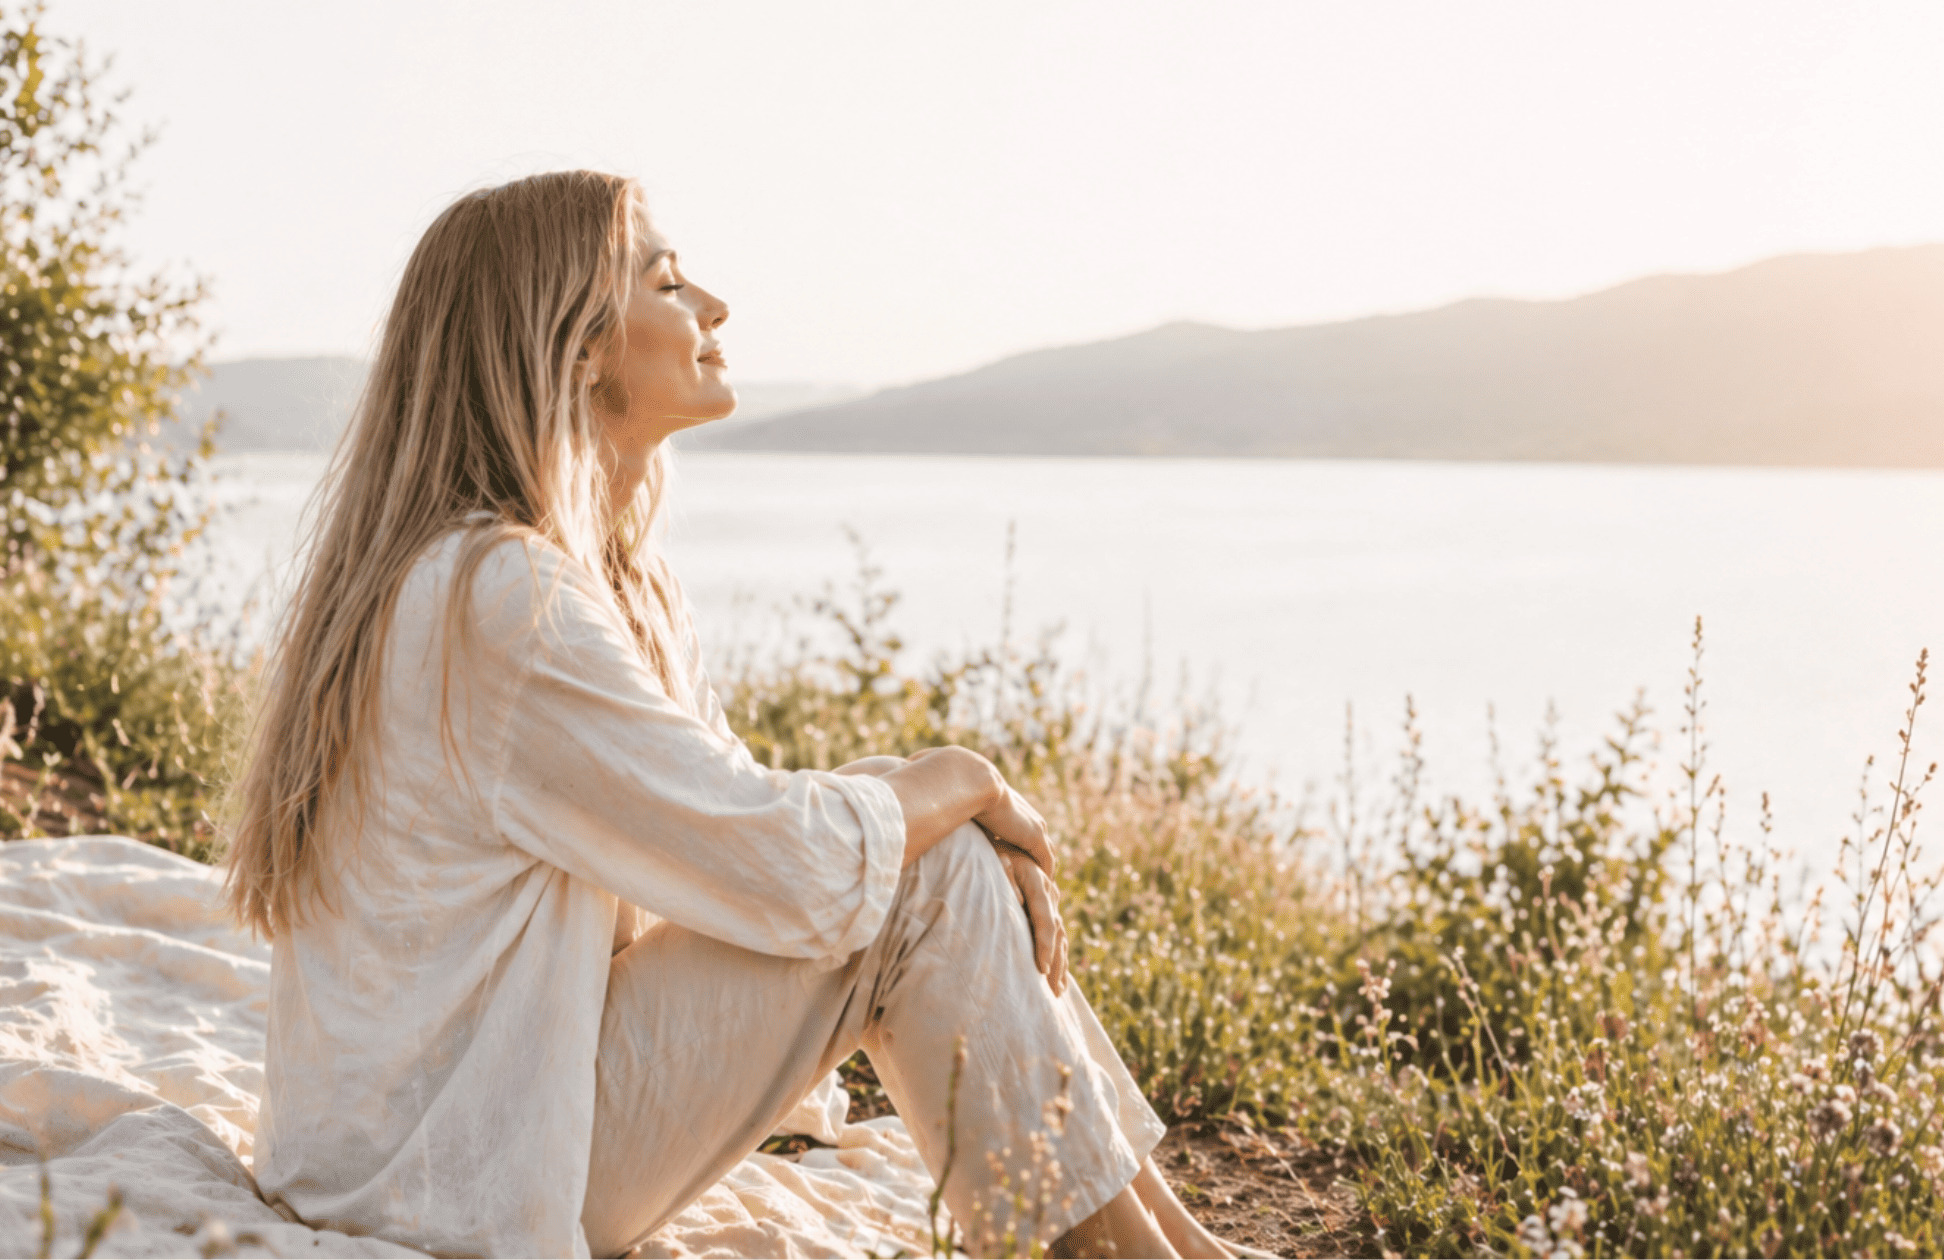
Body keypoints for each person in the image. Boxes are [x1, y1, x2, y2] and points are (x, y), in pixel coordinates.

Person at [222, 170, 1253, 1259]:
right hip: (450, 1171)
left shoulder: (576, 574)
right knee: (919, 856)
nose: (713, 306)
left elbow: (736, 842)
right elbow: (789, 872)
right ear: (574, 347)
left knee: (890, 816)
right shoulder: (500, 599)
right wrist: (968, 776)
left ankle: (1179, 1243)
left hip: (437, 1130)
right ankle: (1120, 1253)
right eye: (667, 282)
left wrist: (917, 795)